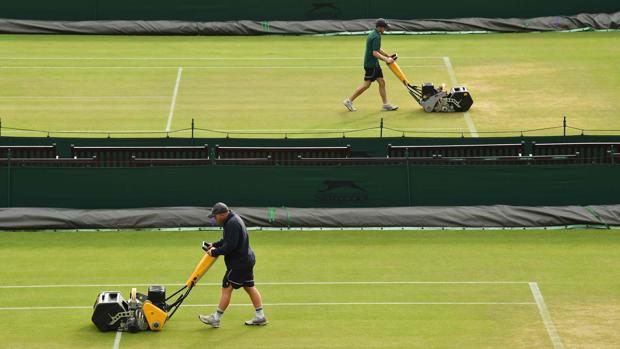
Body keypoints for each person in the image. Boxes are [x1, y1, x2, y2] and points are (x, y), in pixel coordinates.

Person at [198, 202, 267, 328]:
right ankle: (260, 316)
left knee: (226, 287)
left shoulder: (232, 223)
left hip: (239, 264)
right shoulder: (232, 219)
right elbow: (227, 240)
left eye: (215, 216)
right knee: (249, 286)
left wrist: (214, 252)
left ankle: (216, 318)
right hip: (246, 260)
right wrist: (215, 244)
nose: (214, 218)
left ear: (223, 214)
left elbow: (230, 246)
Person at [343, 18, 399, 112]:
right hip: (371, 65)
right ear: (380, 27)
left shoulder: (374, 33)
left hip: (374, 64)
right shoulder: (376, 36)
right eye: (384, 27)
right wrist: (387, 60)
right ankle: (349, 101)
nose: (385, 29)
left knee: (382, 82)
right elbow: (375, 53)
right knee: (366, 85)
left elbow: (377, 49)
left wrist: (387, 55)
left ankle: (385, 104)